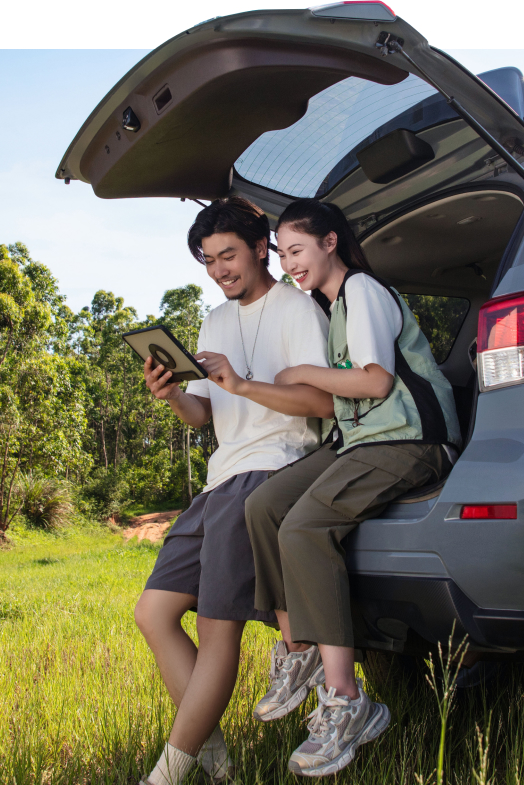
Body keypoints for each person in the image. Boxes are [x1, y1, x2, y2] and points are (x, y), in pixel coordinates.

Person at [244, 198, 461, 777]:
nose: (289, 264)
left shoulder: (362, 289)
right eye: (282, 255)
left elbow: (376, 381)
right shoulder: (331, 306)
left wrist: (301, 373)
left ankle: (346, 700)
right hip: (360, 444)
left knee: (305, 527)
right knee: (263, 506)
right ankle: (299, 651)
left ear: (330, 242)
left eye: (297, 250)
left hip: (411, 440)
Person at [134, 197, 335, 785]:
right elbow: (205, 414)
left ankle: (168, 774)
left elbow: (322, 402)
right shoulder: (214, 320)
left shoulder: (298, 309)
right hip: (220, 477)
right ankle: (215, 757)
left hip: (270, 470)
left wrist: (243, 382)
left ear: (259, 248)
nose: (219, 269)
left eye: (228, 255)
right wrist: (173, 394)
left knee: (217, 628)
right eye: (208, 259)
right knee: (153, 613)